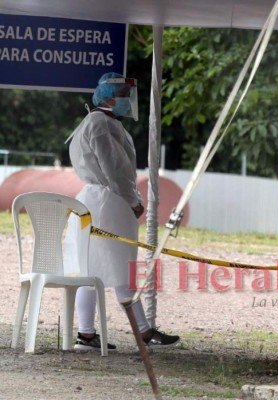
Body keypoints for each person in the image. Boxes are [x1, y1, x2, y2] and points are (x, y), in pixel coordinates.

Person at [66, 72, 180, 351]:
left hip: (94, 201)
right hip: (108, 201)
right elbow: (114, 169)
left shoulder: (96, 122)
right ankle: (132, 332)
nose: (127, 101)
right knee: (114, 267)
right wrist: (132, 200)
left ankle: (91, 334)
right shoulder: (101, 124)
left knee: (95, 268)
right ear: (107, 97)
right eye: (122, 95)